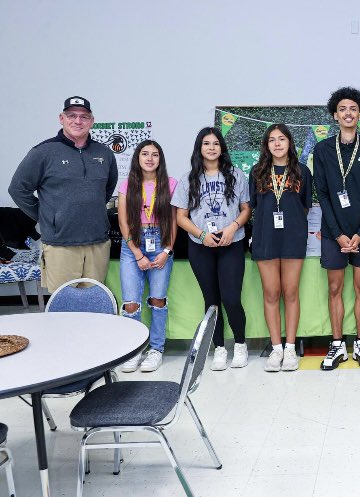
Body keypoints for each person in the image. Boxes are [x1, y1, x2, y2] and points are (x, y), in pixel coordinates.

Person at [8, 96, 117, 291]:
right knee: (63, 308)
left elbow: (107, 189)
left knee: (94, 304)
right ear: (61, 118)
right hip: (61, 245)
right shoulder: (43, 152)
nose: (78, 121)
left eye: (84, 116)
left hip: (97, 243)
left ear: (92, 121)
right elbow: (18, 189)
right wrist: (47, 216)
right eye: (71, 115)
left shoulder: (105, 153)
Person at [313, 87, 360, 370]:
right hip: (334, 232)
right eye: (342, 109)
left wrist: (358, 233)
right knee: (334, 288)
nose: (348, 113)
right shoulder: (322, 149)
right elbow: (324, 194)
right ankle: (338, 344)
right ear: (335, 115)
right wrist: (339, 234)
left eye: (353, 109)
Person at [172, 127, 251, 371]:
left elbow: (246, 209)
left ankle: (240, 345)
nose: (212, 148)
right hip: (201, 246)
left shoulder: (236, 175)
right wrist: (202, 235)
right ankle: (219, 347)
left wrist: (232, 228)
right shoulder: (188, 179)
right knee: (211, 300)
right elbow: (181, 217)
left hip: (231, 243)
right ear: (200, 148)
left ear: (222, 147)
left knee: (231, 298)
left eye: (216, 143)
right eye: (206, 143)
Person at [249, 124, 312, 372]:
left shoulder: (302, 172)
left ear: (289, 143)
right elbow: (253, 207)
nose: (277, 143)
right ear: (266, 145)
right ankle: (276, 349)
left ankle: (290, 348)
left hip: (293, 238)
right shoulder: (257, 173)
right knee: (271, 293)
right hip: (265, 239)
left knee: (291, 292)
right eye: (272, 140)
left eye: (282, 139)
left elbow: (305, 207)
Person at [117, 140, 177, 373]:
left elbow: (173, 221)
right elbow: (123, 222)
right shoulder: (127, 185)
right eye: (145, 154)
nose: (150, 158)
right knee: (131, 303)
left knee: (157, 300)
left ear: (160, 159)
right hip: (133, 245)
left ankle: (156, 349)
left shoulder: (170, 184)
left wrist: (166, 251)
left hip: (160, 243)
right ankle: (134, 351)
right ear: (137, 158)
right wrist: (137, 253)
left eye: (155, 154)